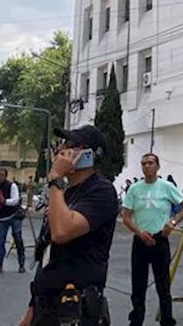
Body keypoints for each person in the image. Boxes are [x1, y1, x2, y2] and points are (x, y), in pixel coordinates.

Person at [19, 126, 118, 326]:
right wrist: (31, 309)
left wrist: (56, 179)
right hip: (45, 307)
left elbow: (62, 232)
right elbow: (49, 251)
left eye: (70, 145)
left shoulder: (101, 191)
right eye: (61, 144)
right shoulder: (64, 193)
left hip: (75, 310)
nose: (61, 149)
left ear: (89, 154)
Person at [121, 153, 183, 326]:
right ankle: (136, 320)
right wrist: (138, 232)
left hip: (160, 239)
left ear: (157, 166)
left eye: (150, 163)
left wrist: (173, 222)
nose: (147, 166)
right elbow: (126, 217)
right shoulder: (135, 189)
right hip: (140, 241)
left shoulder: (166, 187)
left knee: (163, 285)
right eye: (144, 163)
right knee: (138, 285)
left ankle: (167, 320)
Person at [0, 167, 26, 274]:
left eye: (2, 175)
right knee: (1, 241)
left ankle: (21, 264)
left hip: (14, 215)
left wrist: (5, 202)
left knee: (18, 239)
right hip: (2, 217)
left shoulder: (12, 185)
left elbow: (15, 200)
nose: (0, 177)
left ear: (6, 176)